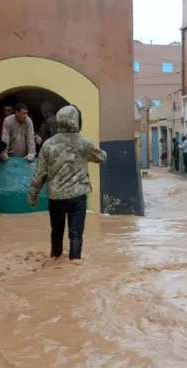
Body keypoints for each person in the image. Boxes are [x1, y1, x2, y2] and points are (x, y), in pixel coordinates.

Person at [28, 105, 107, 260]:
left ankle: (55, 262)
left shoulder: (48, 144)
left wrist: (33, 196)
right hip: (77, 197)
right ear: (76, 121)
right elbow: (102, 158)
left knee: (56, 232)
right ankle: (74, 264)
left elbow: (40, 175)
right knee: (76, 233)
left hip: (56, 198)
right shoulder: (84, 143)